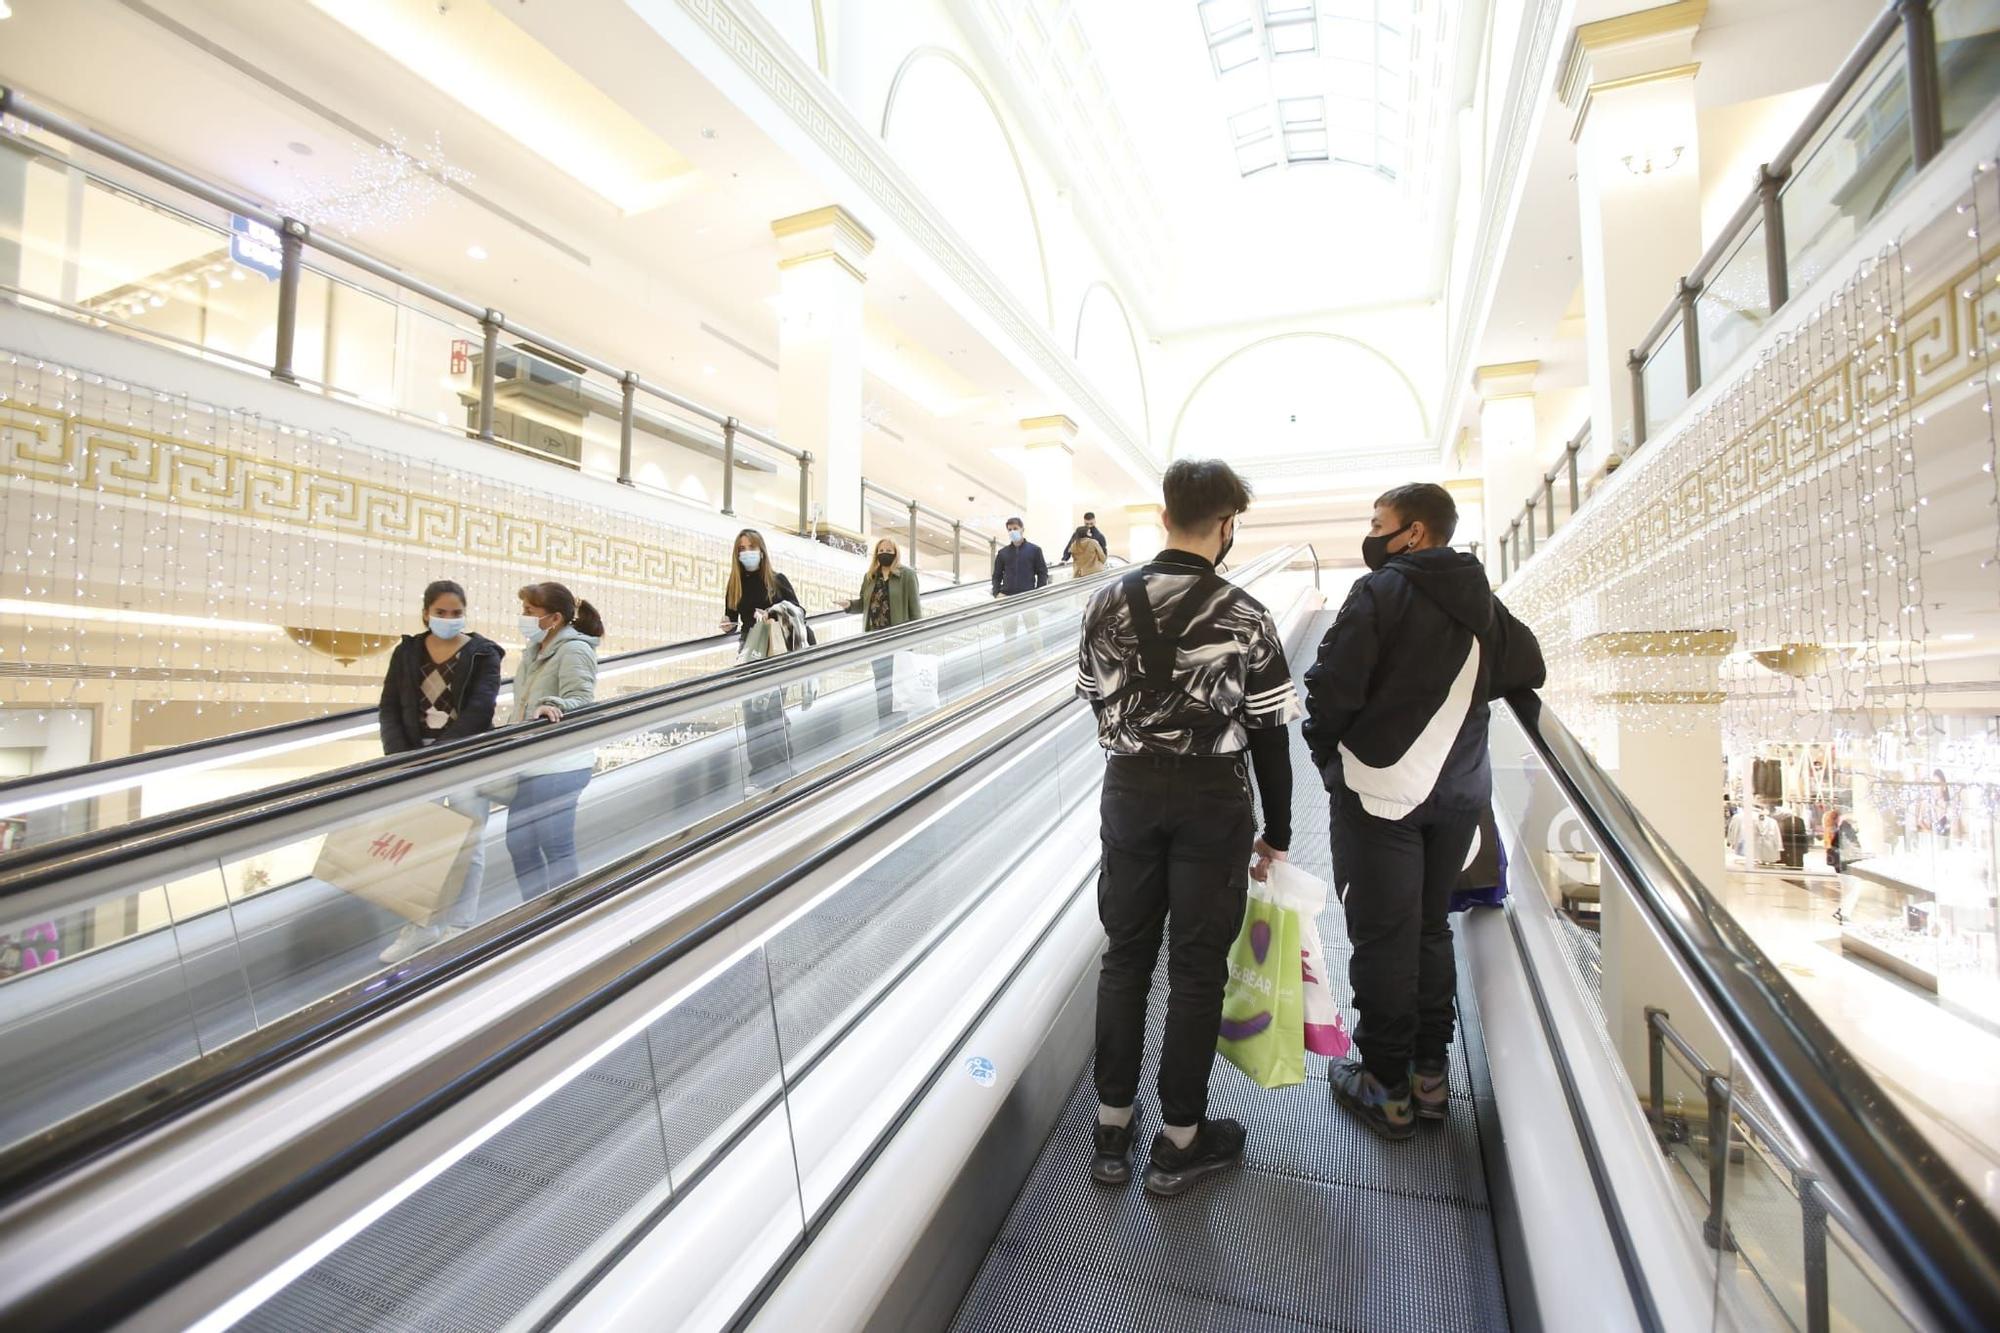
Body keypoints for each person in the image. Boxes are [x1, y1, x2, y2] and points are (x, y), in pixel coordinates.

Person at [1076, 458, 1298, 1198]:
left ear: (1166, 514)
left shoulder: (1106, 602)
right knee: (1197, 966)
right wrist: (1281, 829)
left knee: (1125, 957)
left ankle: (1111, 1129)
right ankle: (1179, 1140)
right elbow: (1270, 732)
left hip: (1130, 792)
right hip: (1214, 800)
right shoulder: (1246, 613)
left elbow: (1092, 698)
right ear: (1227, 525)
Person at [1303, 482, 1544, 1141]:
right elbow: (1529, 665)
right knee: (1429, 928)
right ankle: (1430, 1079)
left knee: (1384, 935)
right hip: (1459, 793)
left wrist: (1328, 755)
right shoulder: (1479, 599)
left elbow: (1330, 689)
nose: (1372, 531)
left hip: (1380, 793)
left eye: (1378, 521)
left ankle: (1385, 1087)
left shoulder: (1380, 593)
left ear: (1412, 531)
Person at [375, 579, 505, 962]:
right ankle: (420, 927)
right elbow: (389, 707)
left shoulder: (484, 654)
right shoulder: (407, 651)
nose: (449, 619)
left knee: (468, 844)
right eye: (441, 613)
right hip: (416, 761)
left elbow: (481, 709)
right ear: (426, 613)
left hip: (465, 759)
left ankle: (460, 925)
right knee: (421, 846)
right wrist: (402, 758)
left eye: (456, 613)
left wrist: (445, 755)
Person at [505, 582, 601, 901]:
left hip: (562, 764)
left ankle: (565, 916)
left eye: (530, 612)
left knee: (555, 845)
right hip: (531, 762)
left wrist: (554, 705)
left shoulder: (575, 650)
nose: (524, 618)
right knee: (520, 844)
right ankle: (535, 911)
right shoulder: (534, 651)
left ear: (554, 618)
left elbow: (582, 699)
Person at [722, 529, 801, 785]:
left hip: (776, 648)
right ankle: (759, 775)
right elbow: (732, 618)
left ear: (762, 550)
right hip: (749, 649)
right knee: (752, 712)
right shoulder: (735, 584)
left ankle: (782, 770)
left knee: (772, 710)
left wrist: (773, 613)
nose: (746, 553)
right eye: (741, 549)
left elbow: (798, 611)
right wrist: (727, 623)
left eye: (751, 547)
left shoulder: (777, 580)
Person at [853, 536, 922, 722]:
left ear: (896, 553)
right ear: (876, 554)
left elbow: (916, 611)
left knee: (899, 685)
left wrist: (913, 642)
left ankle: (899, 725)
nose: (884, 554)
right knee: (881, 684)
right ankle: (884, 724)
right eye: (881, 551)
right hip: (875, 640)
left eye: (888, 551)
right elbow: (863, 604)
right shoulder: (870, 577)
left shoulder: (907, 575)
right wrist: (848, 605)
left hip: (897, 640)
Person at [992, 517, 1049, 598]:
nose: (1012, 532)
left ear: (1022, 529)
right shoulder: (1002, 553)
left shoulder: (1035, 550)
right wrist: (996, 593)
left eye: (1015, 528)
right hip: (1007, 597)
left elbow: (1042, 573)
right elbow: (996, 575)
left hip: (1028, 596)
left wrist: (1039, 592)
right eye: (1010, 529)